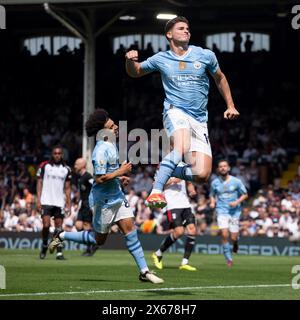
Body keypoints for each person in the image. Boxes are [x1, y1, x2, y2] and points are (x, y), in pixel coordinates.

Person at [125, 16, 240, 209]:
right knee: (181, 145)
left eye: (187, 28)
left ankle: (167, 169)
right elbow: (135, 71)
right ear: (169, 34)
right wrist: (130, 61)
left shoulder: (205, 55)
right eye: (181, 28)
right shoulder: (161, 58)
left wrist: (230, 104)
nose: (186, 31)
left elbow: (220, 78)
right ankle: (156, 190)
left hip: (199, 119)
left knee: (202, 175)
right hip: (175, 111)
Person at [48, 109, 164, 284]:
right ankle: (61, 235)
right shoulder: (100, 150)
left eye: (114, 124)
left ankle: (144, 271)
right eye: (111, 126)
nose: (116, 127)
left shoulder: (111, 145)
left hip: (117, 196)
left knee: (131, 233)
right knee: (98, 240)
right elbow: (100, 178)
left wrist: (120, 177)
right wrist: (121, 171)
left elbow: (110, 174)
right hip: (103, 201)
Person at [152, 173, 198, 271]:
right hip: (171, 205)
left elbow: (189, 183)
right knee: (179, 232)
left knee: (192, 230)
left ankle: (184, 263)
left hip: (185, 204)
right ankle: (158, 254)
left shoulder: (184, 168)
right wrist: (173, 180)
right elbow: (155, 184)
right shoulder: (164, 169)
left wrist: (192, 190)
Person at [209, 160, 248, 267]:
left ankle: (235, 243)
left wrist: (237, 202)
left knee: (234, 237)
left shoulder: (236, 181)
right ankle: (229, 258)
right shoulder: (215, 182)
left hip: (234, 212)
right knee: (224, 234)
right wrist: (212, 202)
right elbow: (212, 194)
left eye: (224, 166)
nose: (223, 168)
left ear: (228, 168)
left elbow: (245, 194)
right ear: (218, 169)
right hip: (221, 211)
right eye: (220, 166)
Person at [37, 146, 71, 260]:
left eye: (59, 153)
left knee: (59, 228)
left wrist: (69, 204)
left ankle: (59, 252)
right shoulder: (44, 166)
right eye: (55, 153)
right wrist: (38, 199)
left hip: (59, 202)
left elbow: (67, 188)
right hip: (46, 200)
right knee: (46, 226)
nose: (57, 155)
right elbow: (39, 183)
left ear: (62, 155)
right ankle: (44, 245)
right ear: (52, 154)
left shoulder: (66, 169)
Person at [74, 157, 94, 256]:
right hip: (82, 203)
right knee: (78, 225)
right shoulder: (80, 177)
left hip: (88, 203)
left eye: (76, 164)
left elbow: (94, 185)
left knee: (86, 225)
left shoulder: (88, 176)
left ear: (82, 165)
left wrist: (93, 203)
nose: (75, 166)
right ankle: (90, 241)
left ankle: (89, 248)